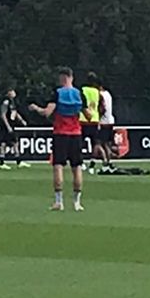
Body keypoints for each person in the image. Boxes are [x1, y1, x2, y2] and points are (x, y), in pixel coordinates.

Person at [31, 69, 88, 211]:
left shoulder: (57, 93)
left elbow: (47, 112)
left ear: (62, 78)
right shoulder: (79, 94)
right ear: (72, 77)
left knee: (58, 166)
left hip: (60, 133)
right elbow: (88, 115)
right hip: (76, 134)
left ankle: (59, 202)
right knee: (77, 167)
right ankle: (77, 202)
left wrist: (36, 108)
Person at [0, 88, 25, 167]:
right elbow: (3, 114)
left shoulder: (13, 102)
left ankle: (18, 161)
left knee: (14, 142)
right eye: (12, 91)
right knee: (4, 143)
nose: (14, 93)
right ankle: (2, 162)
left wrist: (21, 120)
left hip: (12, 125)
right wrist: (8, 126)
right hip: (6, 126)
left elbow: (15, 112)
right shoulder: (6, 102)